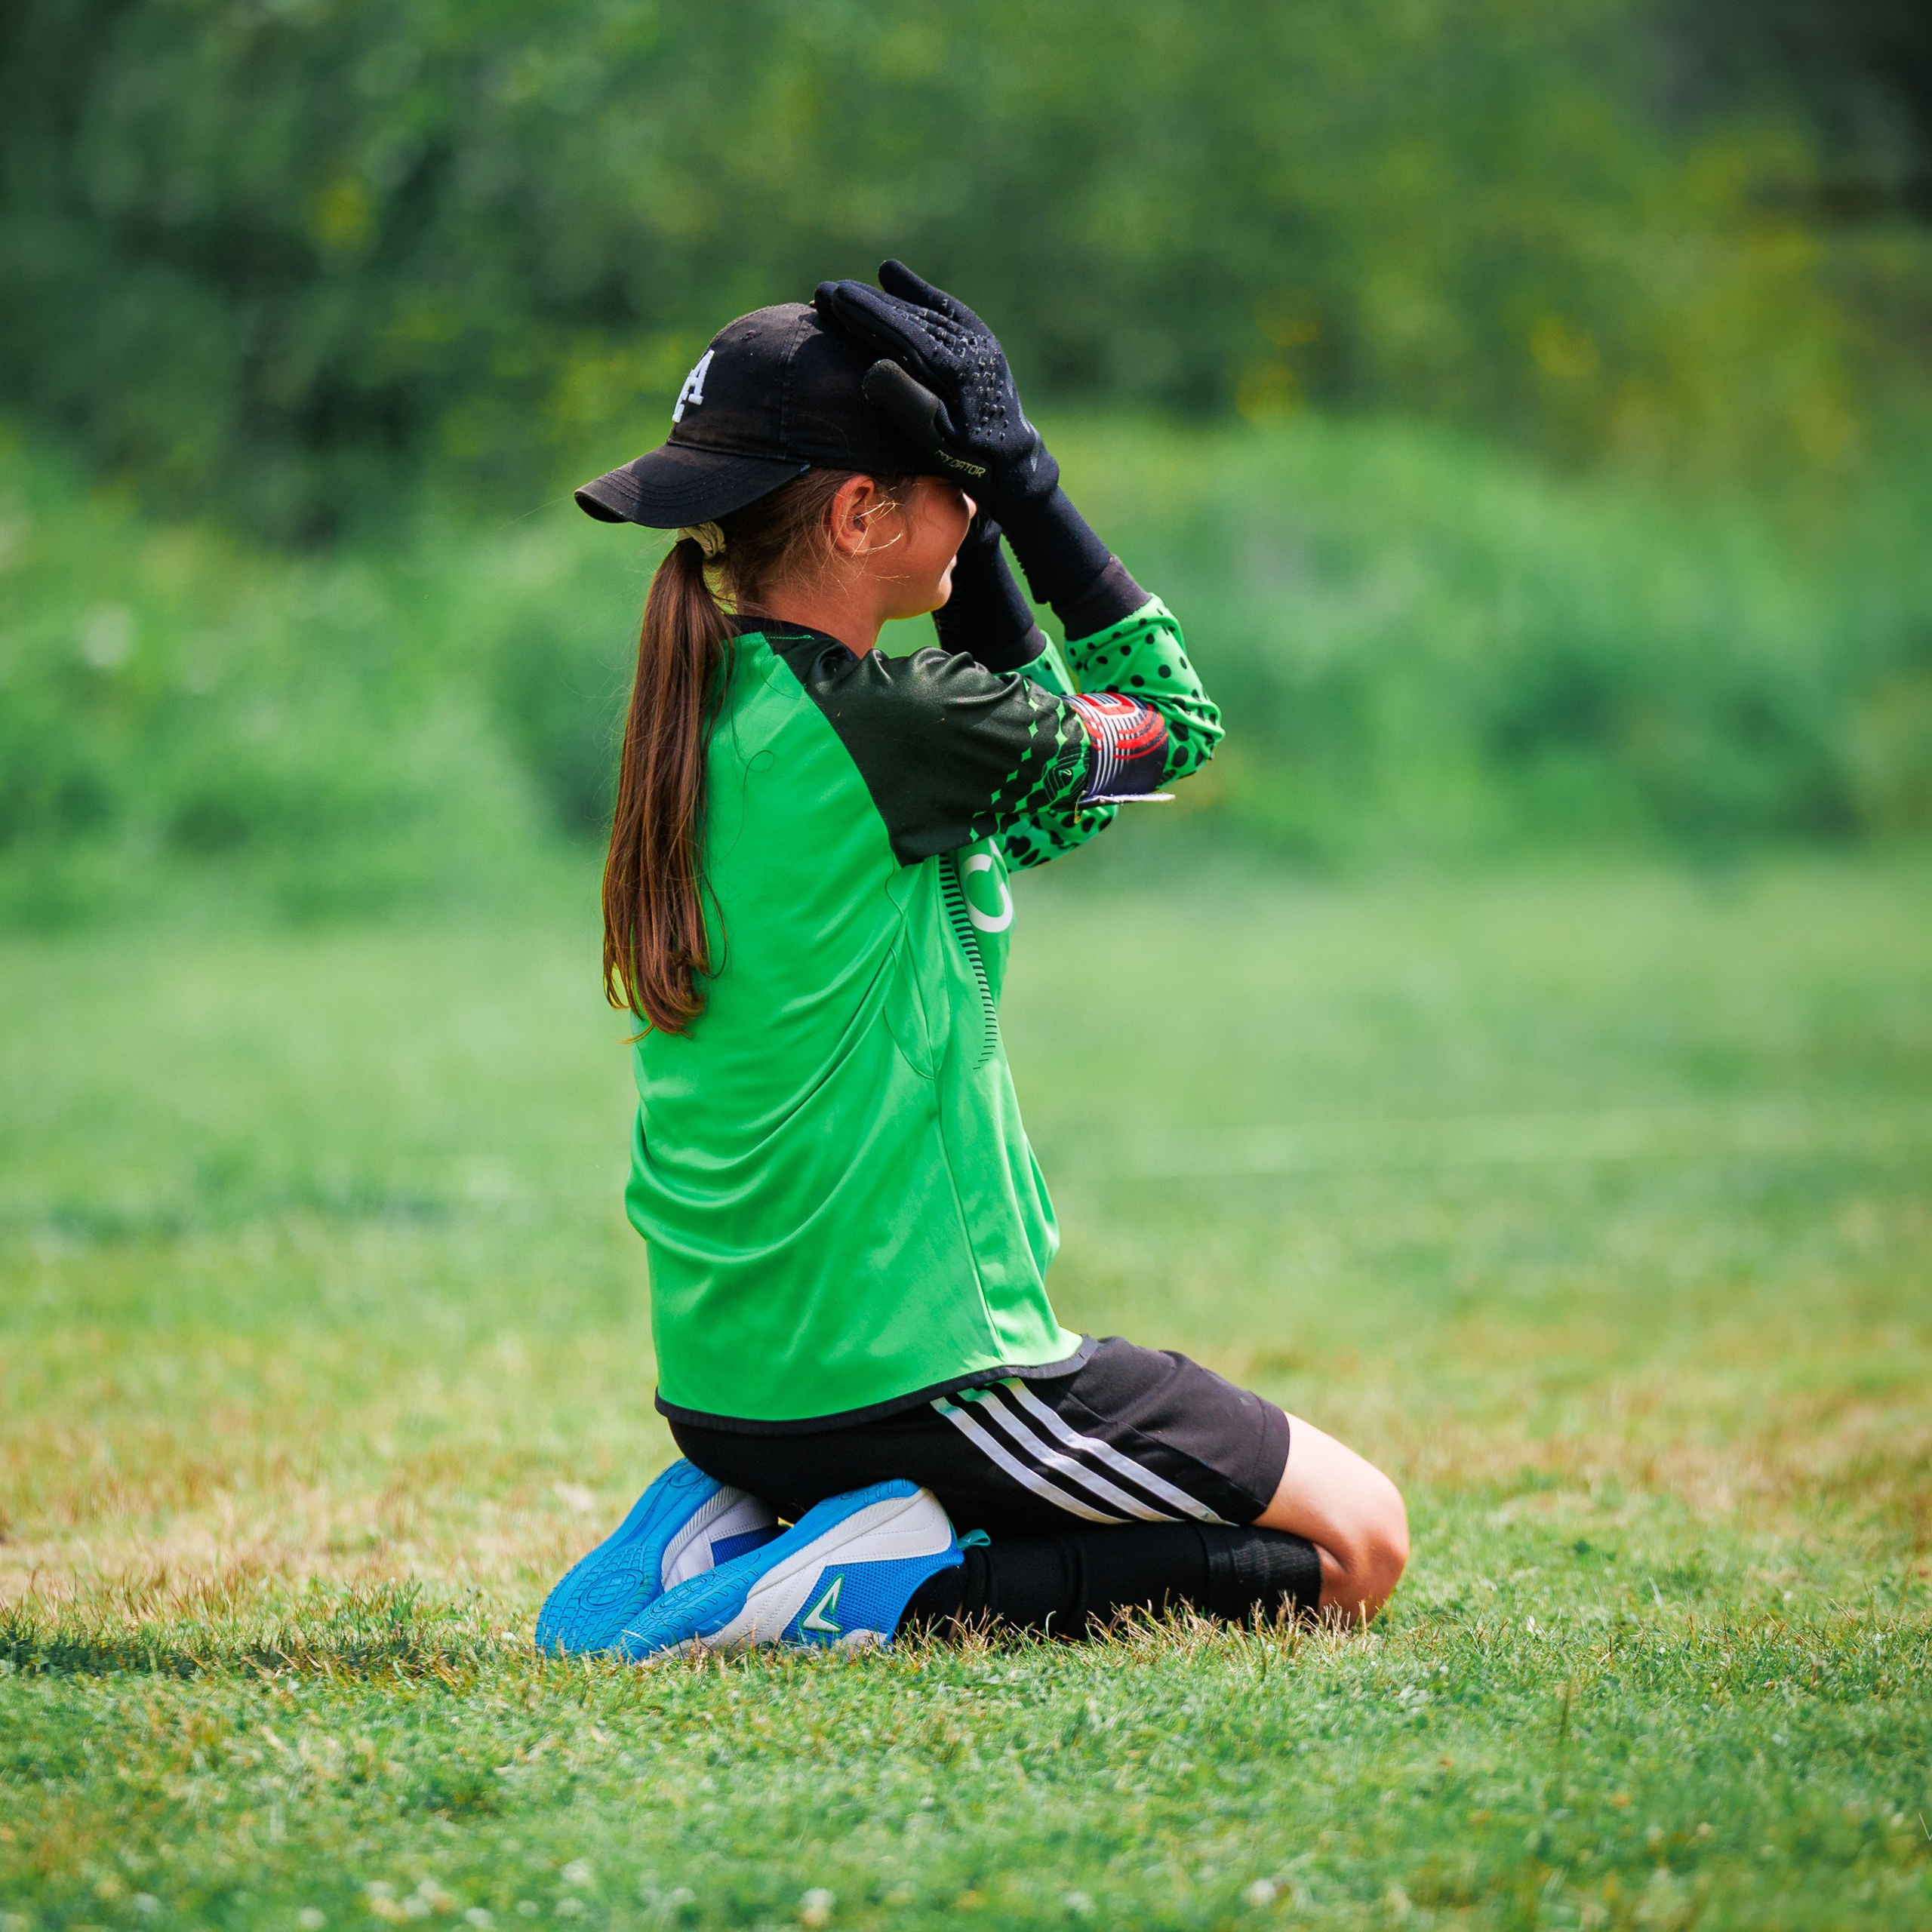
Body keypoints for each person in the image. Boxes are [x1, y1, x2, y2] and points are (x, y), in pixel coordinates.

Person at [536, 266, 1407, 1660]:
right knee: (1358, 1549)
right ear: (860, 512)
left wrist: (977, 522)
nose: (977, 505)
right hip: (920, 1366)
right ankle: (867, 1592)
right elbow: (1170, 725)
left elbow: (1054, 805)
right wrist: (1039, 488)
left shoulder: (716, 708)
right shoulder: (897, 725)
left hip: (733, 1386)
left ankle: (748, 1523)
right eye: (953, 483)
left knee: (1259, 1528)